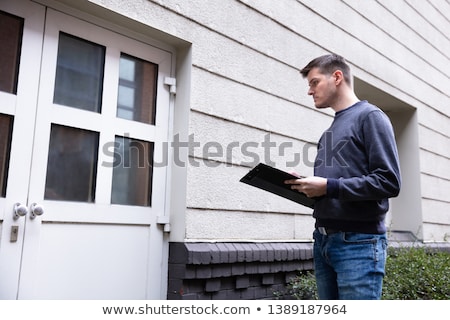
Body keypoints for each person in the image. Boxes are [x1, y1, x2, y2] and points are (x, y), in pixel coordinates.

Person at [284, 54, 401, 300]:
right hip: (323, 241)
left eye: (314, 82)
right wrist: (304, 185)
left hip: (358, 244)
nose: (309, 91)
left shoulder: (371, 117)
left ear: (337, 77)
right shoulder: (329, 132)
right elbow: (333, 189)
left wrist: (328, 187)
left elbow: (388, 181)